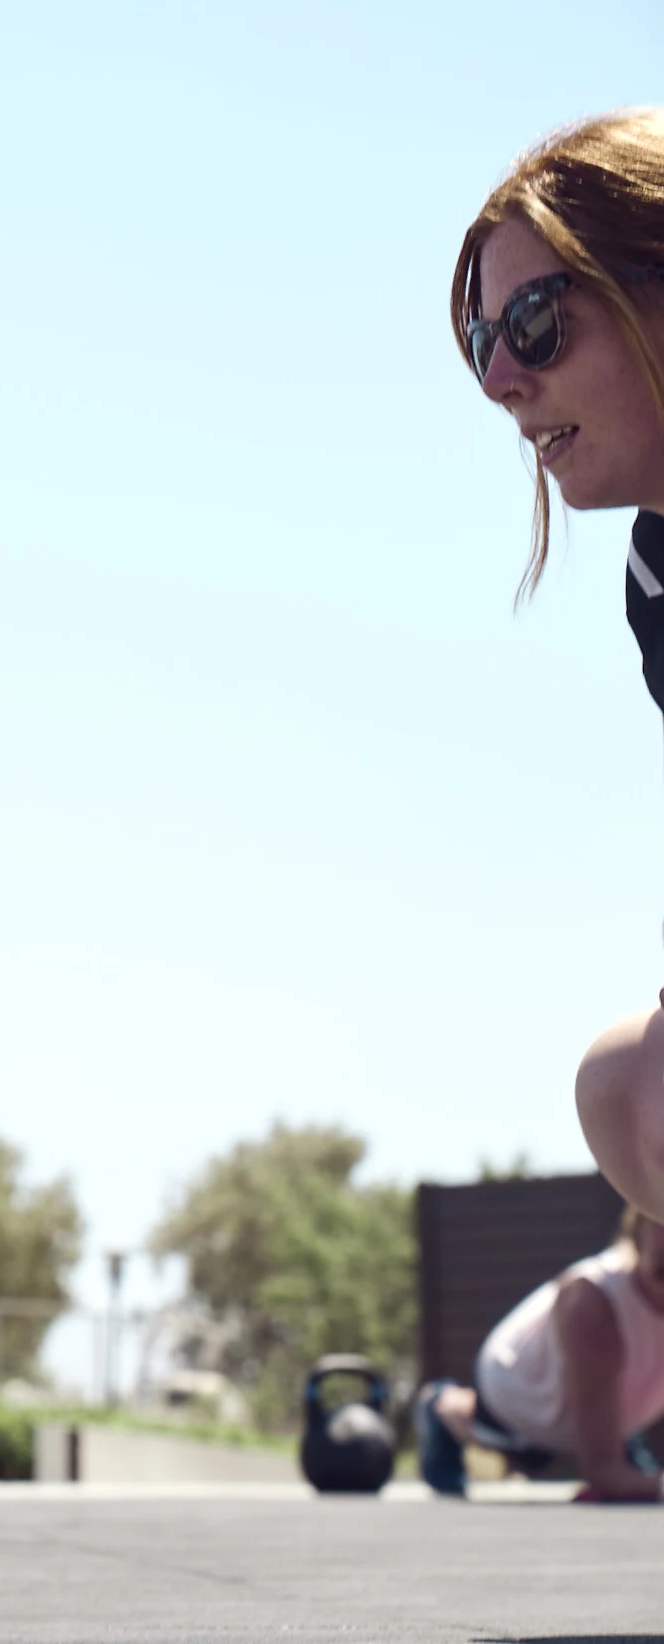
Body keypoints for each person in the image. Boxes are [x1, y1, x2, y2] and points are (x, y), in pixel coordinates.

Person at [451, 115, 664, 1233]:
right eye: (483, 336)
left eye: (535, 324)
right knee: (632, 1089)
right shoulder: (655, 575)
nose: (498, 378)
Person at [416, 1208, 664, 1501]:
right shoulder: (592, 1299)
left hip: (619, 1417)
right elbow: (603, 1470)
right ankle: (443, 1406)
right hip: (517, 1399)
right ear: (636, 1233)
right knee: (519, 1449)